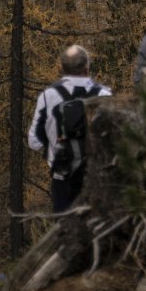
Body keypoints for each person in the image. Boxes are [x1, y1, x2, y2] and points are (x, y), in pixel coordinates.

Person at [27, 45, 111, 213]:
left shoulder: (48, 96)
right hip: (96, 177)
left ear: (61, 69)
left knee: (66, 231)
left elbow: (34, 142)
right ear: (87, 69)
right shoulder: (104, 95)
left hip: (62, 179)